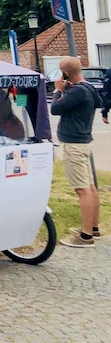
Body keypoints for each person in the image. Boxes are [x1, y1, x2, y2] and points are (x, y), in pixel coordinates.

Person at [51, 57, 102, 247]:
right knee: (89, 186)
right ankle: (94, 227)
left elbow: (55, 109)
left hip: (73, 144)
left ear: (65, 74)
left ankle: (85, 236)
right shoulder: (87, 87)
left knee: (82, 190)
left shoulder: (77, 91)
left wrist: (58, 90)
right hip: (84, 141)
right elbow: (97, 103)